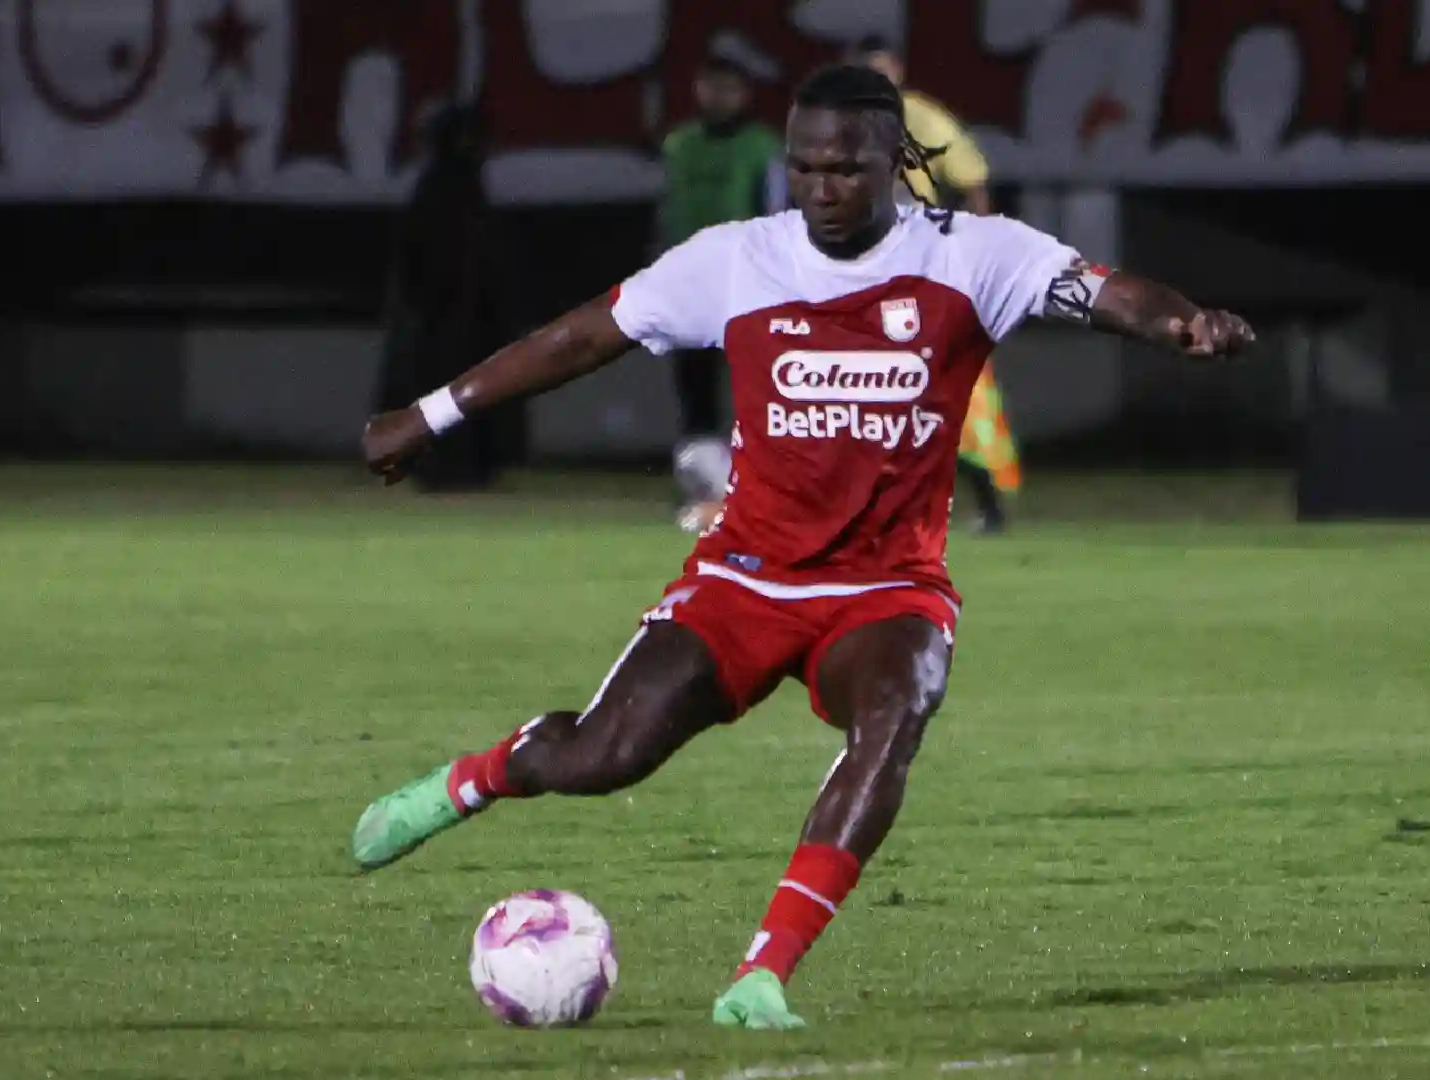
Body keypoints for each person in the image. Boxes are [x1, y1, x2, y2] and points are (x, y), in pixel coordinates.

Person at [353, 65, 1253, 1030]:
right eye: (805, 167)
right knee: (603, 757)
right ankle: (477, 778)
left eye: (845, 168)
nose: (822, 188)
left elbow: (1102, 292)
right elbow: (580, 339)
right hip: (744, 576)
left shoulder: (972, 257)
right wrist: (432, 411)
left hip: (886, 586)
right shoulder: (736, 261)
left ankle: (761, 975)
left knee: (897, 707)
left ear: (896, 163)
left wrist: (1180, 323)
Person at [853, 36, 1014, 533]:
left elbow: (972, 179)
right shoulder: (841, 124)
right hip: (863, 272)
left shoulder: (921, 119)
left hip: (922, 273)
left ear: (898, 71)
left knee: (948, 388)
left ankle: (987, 504)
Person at [657, 55, 788, 532]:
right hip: (689, 287)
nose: (719, 97)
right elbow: (666, 212)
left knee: (755, 392)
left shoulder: (762, 147)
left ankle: (759, 492)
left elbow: (776, 216)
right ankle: (701, 493)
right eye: (712, 86)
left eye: (729, 88)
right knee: (695, 394)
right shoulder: (680, 145)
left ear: (745, 94)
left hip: (744, 286)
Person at [374, 102, 515, 491]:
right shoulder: (448, 188)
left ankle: (454, 465)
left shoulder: (450, 187)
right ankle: (449, 466)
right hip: (444, 318)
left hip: (454, 318)